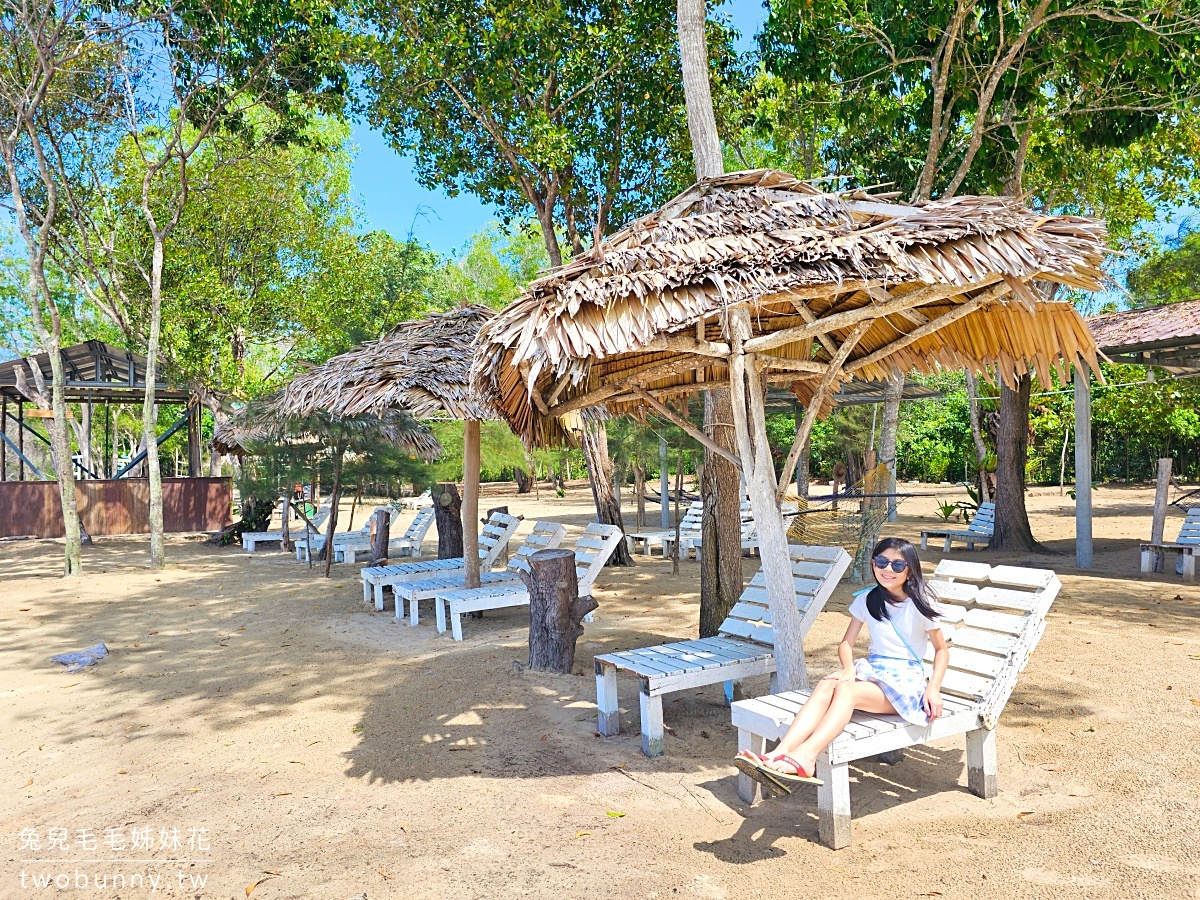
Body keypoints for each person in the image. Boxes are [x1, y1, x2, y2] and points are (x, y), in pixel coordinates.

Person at [734, 536, 949, 790]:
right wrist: (848, 669)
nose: (888, 569)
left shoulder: (920, 604)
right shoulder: (867, 600)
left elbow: (941, 651)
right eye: (882, 561)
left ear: (910, 570)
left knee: (846, 690)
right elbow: (846, 644)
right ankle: (777, 753)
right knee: (828, 684)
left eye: (898, 565)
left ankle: (807, 756)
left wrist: (933, 688)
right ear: (873, 562)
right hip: (874, 671)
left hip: (906, 682)